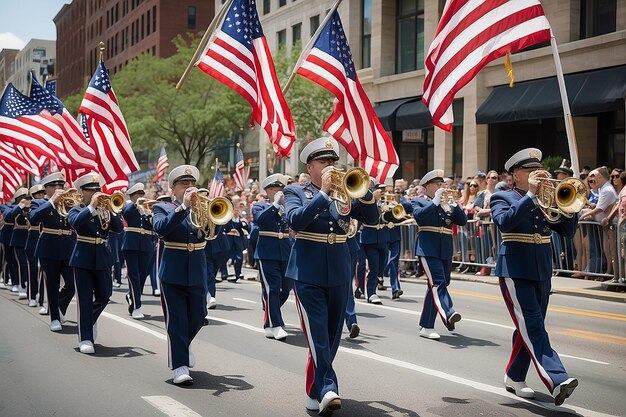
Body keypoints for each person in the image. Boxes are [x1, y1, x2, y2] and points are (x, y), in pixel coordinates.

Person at [284, 137, 379, 414]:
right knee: (317, 335)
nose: (330, 167)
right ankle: (328, 388)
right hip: (307, 271)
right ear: (310, 166)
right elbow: (295, 220)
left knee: (332, 335)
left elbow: (373, 218)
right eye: (324, 162)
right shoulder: (295, 191)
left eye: (332, 162)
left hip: (339, 269)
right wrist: (324, 194)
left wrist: (367, 193)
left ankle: (315, 390)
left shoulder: (345, 192)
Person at [490, 148, 579, 406]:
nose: (537, 175)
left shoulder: (544, 199)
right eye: (529, 170)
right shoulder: (502, 195)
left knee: (528, 327)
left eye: (538, 170)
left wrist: (570, 208)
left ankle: (514, 376)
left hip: (541, 268)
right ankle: (557, 378)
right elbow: (505, 222)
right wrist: (530, 194)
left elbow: (566, 231)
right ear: (515, 175)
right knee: (534, 326)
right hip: (515, 269)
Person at [153, 165, 207, 385]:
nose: (189, 188)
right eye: (184, 184)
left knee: (198, 316)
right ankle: (179, 366)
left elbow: (213, 233)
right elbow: (161, 228)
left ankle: (182, 346)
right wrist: (183, 207)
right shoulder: (163, 208)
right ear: (173, 189)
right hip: (172, 271)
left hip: (197, 270)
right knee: (176, 320)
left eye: (192, 184)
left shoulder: (200, 208)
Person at [67, 173, 124, 354]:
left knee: (104, 295)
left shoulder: (103, 210)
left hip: (102, 257)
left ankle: (88, 321)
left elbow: (119, 228)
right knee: (84, 300)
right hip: (82, 257)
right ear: (81, 192)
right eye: (90, 191)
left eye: (97, 190)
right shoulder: (76, 209)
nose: (95, 194)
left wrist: (109, 209)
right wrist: (92, 206)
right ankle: (85, 338)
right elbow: (75, 223)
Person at [411, 170, 467, 340]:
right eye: (437, 185)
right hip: (427, 249)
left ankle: (426, 325)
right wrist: (435, 202)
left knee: (437, 285)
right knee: (438, 283)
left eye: (442, 184)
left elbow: (463, 221)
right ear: (427, 186)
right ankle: (449, 313)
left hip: (445, 249)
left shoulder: (446, 204)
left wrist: (456, 205)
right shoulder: (418, 201)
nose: (441, 188)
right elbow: (419, 217)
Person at [29, 173, 77, 329]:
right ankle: (54, 318)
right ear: (46, 189)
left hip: (68, 247)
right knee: (52, 283)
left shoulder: (69, 203)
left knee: (71, 284)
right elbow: (34, 218)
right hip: (48, 247)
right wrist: (51, 202)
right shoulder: (39, 203)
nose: (58, 189)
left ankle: (58, 308)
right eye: (54, 187)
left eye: (61, 186)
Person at [252, 173, 293, 340]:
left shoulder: (288, 206)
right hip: (267, 251)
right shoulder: (259, 205)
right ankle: (275, 324)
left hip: (285, 250)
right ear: (267, 191)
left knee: (287, 288)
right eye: (274, 189)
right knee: (273, 288)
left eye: (280, 189)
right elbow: (261, 220)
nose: (279, 191)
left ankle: (269, 314)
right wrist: (275, 203)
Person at [122, 183, 156, 319]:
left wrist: (151, 213)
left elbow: (154, 226)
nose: (141, 197)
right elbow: (126, 213)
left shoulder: (147, 209)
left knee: (143, 275)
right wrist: (136, 204)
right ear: (132, 196)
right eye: (138, 195)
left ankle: (132, 296)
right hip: (131, 244)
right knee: (134, 276)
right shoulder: (129, 207)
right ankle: (137, 306)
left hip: (146, 245)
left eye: (142, 194)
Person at [25, 184, 45, 308]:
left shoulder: (47, 204)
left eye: (43, 193)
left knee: (43, 270)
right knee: (33, 269)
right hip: (32, 241)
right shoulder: (31, 207)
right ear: (33, 196)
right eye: (38, 194)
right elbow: (34, 219)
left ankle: (42, 298)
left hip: (43, 240)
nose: (41, 196)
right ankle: (32, 296)